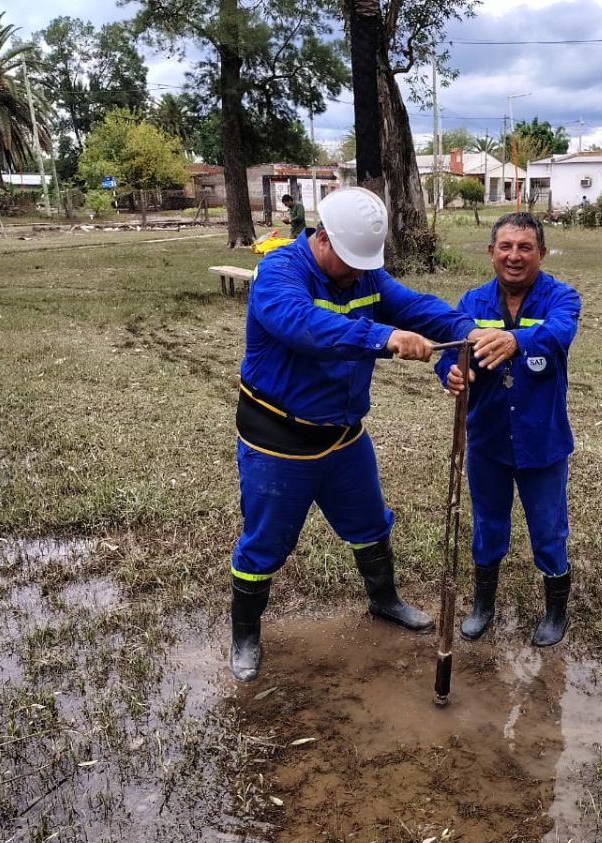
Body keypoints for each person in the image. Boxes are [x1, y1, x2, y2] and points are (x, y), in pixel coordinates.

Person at [229, 187, 508, 681]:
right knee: (265, 544)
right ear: (322, 239)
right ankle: (246, 637)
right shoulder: (278, 274)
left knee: (370, 525)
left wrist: (469, 327)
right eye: (351, 261)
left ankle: (384, 599)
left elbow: (415, 306)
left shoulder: (367, 276)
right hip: (278, 440)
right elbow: (306, 327)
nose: (359, 272)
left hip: (344, 437)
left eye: (365, 264)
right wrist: (383, 337)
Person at [436, 211, 580, 647]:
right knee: (488, 524)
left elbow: (559, 334)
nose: (514, 256)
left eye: (525, 247)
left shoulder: (562, 298)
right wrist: (451, 373)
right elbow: (451, 354)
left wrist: (517, 341)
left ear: (541, 253)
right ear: (491, 252)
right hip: (488, 440)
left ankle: (556, 611)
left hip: (543, 441)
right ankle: (483, 605)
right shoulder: (472, 303)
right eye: (505, 247)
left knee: (548, 528)